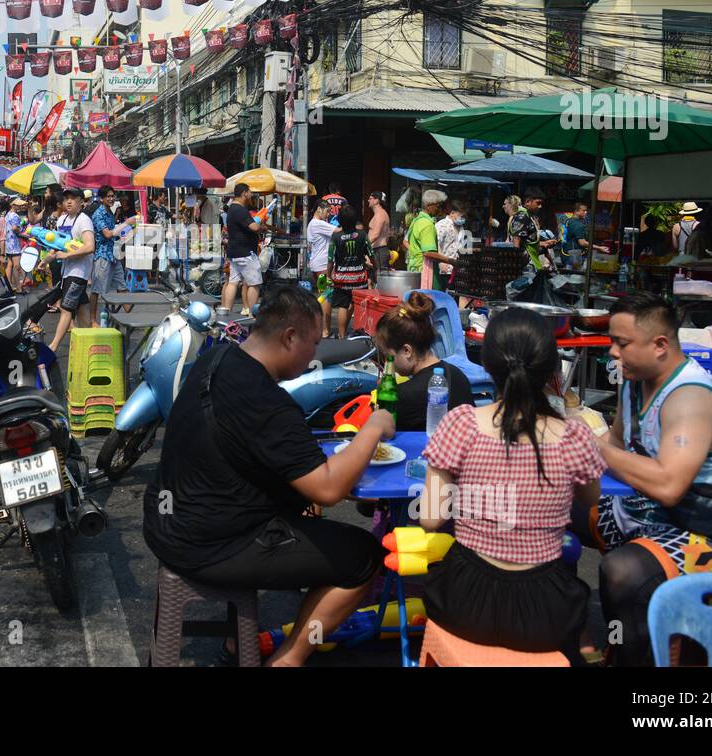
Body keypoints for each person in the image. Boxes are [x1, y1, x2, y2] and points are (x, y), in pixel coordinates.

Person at [143, 286, 391, 667]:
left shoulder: (218, 357)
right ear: (289, 337)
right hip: (207, 544)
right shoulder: (266, 401)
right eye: (313, 343)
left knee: (302, 506)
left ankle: (237, 643)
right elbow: (328, 488)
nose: (314, 356)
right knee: (363, 557)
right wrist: (373, 427)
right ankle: (288, 659)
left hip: (165, 521)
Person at [574, 292, 712, 666]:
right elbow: (611, 440)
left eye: (622, 343)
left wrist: (593, 448)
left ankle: (641, 658)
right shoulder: (635, 382)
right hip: (644, 513)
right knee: (545, 507)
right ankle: (583, 636)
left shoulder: (690, 398)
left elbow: (669, 485)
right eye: (612, 340)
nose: (612, 351)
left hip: (710, 535)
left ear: (660, 345)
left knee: (623, 571)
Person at [418, 306, 604, 665]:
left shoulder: (461, 424)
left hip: (465, 602)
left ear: (487, 365)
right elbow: (591, 498)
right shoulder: (575, 436)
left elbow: (429, 519)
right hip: (544, 613)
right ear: (552, 368)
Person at [373, 291, 474, 430]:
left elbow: (384, 434)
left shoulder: (404, 395)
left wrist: (383, 400)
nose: (387, 363)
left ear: (406, 351)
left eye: (388, 357)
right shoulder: (458, 376)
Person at [47, 188, 96, 352]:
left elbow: (90, 246)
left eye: (73, 198)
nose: (68, 201)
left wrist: (68, 255)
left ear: (81, 202)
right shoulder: (62, 219)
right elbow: (57, 244)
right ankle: (89, 344)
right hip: (66, 272)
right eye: (66, 198)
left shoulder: (84, 220)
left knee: (66, 309)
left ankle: (53, 346)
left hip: (79, 273)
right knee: (82, 310)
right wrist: (47, 259)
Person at [327, 206, 372, 338]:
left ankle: (341, 335)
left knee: (342, 305)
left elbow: (330, 258)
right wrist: (376, 267)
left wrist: (329, 275)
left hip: (341, 277)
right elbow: (371, 253)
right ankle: (349, 331)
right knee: (353, 303)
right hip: (359, 277)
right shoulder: (362, 234)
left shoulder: (335, 237)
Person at [220, 183, 264, 315]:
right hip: (246, 253)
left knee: (233, 282)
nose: (251, 194)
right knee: (254, 284)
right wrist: (261, 225)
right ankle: (252, 314)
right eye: (250, 192)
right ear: (245, 193)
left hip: (234, 252)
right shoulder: (241, 210)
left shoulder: (232, 209)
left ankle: (226, 312)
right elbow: (254, 228)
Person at [90, 185, 129, 325]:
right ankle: (93, 320)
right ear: (101, 198)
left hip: (113, 255)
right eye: (109, 196)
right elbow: (107, 234)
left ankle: (129, 316)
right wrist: (126, 224)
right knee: (96, 290)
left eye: (113, 196)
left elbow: (113, 234)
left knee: (122, 286)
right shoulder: (98, 214)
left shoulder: (110, 213)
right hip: (102, 256)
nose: (112, 198)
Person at [305, 201, 338, 337]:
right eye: (328, 211)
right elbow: (338, 231)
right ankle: (325, 330)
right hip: (323, 267)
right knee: (326, 296)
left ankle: (321, 328)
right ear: (319, 209)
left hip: (317, 265)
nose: (329, 214)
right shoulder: (318, 224)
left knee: (323, 295)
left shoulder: (312, 224)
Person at [433, 202, 467, 292]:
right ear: (452, 213)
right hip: (444, 267)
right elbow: (436, 245)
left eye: (464, 217)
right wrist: (440, 262)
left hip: (456, 268)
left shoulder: (461, 227)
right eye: (460, 216)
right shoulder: (442, 225)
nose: (462, 219)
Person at [1, 196, 28, 294]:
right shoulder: (15, 216)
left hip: (8, 242)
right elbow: (15, 228)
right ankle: (18, 287)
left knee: (10, 265)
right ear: (13, 205)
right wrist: (22, 232)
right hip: (14, 243)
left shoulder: (8, 214)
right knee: (17, 266)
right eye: (18, 204)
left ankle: (9, 286)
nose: (20, 206)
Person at [366, 191, 390, 275]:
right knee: (374, 280)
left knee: (380, 281)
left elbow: (375, 234)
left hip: (379, 251)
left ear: (377, 201)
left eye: (370, 198)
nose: (368, 200)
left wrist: (362, 245)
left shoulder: (380, 214)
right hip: (377, 251)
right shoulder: (379, 214)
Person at [563, 201, 591, 267]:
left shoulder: (568, 220)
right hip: (574, 257)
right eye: (584, 210)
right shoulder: (577, 224)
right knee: (575, 276)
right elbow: (582, 243)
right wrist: (598, 247)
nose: (586, 212)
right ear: (576, 211)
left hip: (566, 253)